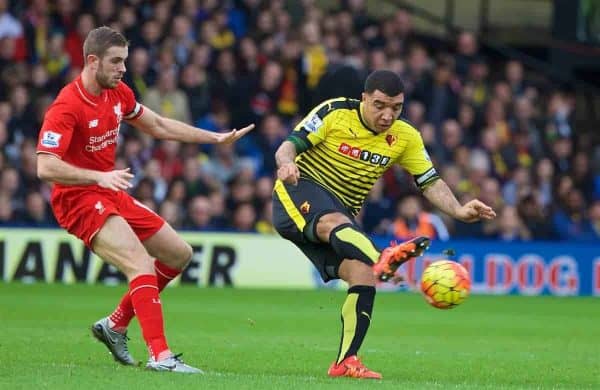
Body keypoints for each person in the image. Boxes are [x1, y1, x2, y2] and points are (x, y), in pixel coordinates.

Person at [36, 27, 254, 374]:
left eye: (125, 60)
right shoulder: (67, 105)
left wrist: (214, 138)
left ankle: (115, 325)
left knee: (178, 254)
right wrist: (97, 176)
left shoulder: (118, 92)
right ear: (92, 61)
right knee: (139, 261)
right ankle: (161, 357)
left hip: (109, 191)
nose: (124, 68)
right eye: (116, 61)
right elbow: (45, 166)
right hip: (77, 199)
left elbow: (159, 125)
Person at [272, 70, 496, 379]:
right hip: (300, 190)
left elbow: (429, 181)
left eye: (396, 107)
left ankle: (345, 362)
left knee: (362, 274)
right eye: (379, 105)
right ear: (364, 98)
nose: (388, 115)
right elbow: (288, 145)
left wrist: (458, 209)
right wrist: (286, 163)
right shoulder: (335, 112)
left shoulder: (406, 137)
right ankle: (383, 257)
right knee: (334, 223)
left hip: (343, 218)